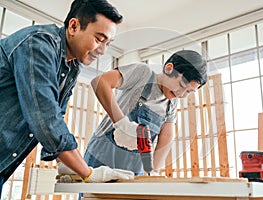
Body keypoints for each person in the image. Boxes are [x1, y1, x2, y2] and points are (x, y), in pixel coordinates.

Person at [0, 0, 134, 197]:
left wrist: (67, 164)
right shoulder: (38, 44)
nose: (103, 51)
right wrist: (88, 173)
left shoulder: (72, 67)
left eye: (108, 43)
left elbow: (56, 114)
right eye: (99, 39)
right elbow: (45, 118)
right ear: (73, 26)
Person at [84, 49, 207, 176]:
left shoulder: (172, 102)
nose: (181, 94)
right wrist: (122, 123)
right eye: (181, 85)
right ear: (169, 69)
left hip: (135, 166)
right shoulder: (143, 74)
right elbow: (100, 82)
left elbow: (166, 136)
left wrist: (153, 171)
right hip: (104, 153)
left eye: (188, 92)